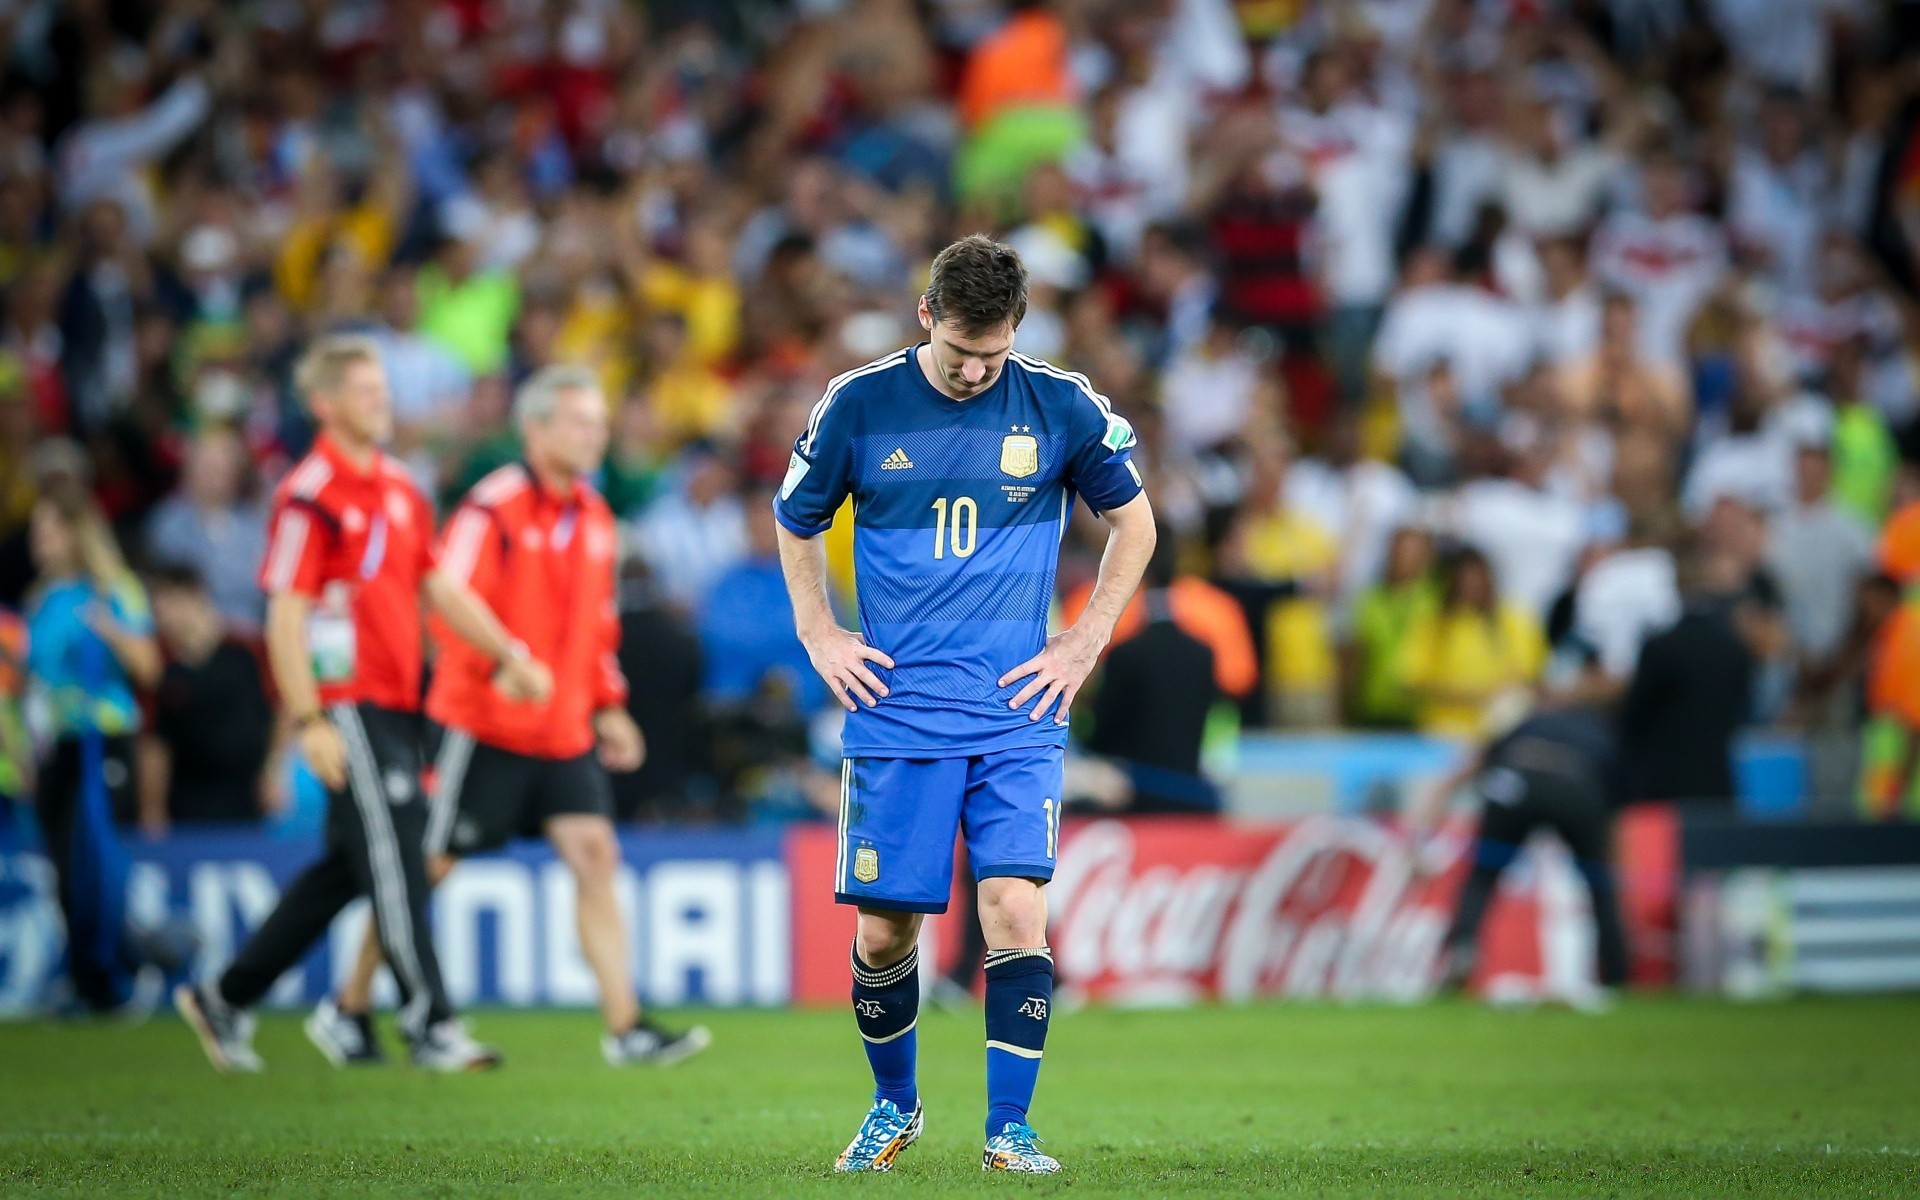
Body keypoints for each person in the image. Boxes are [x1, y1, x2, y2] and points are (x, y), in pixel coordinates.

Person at [775, 236, 1155, 1173]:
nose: (975, 372)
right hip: (898, 710)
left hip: (1017, 707)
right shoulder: (858, 403)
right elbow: (796, 517)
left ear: (1016, 331)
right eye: (957, 355)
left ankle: (1009, 1129)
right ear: (925, 318)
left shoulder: (1061, 405)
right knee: (884, 928)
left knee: (1014, 910)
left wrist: (1083, 638)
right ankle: (894, 1107)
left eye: (992, 354)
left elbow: (1136, 526)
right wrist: (820, 634)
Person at [174, 335, 552, 1074]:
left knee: (350, 867)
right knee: (399, 852)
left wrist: (507, 651)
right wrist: (309, 718)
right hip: (344, 699)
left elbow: (437, 587)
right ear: (325, 404)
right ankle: (430, 1021)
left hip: (391, 697)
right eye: (367, 392)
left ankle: (225, 995)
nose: (385, 403)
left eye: (384, 391)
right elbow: (286, 609)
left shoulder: (401, 488)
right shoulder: (309, 493)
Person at [320, 365, 709, 1069]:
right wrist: (500, 663)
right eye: (579, 423)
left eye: (599, 423)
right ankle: (348, 1007)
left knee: (595, 854)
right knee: (428, 868)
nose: (595, 436)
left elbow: (596, 627)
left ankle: (626, 1027)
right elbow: (446, 600)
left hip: (561, 727)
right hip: (484, 724)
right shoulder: (492, 509)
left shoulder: (593, 518)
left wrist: (608, 704)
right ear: (535, 430)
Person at [22, 481, 162, 1011]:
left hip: (102, 739)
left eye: (49, 529)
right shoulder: (42, 600)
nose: (39, 541)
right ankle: (89, 975)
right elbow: (34, 683)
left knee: (92, 859)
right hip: (54, 744)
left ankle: (109, 972)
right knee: (62, 864)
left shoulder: (114, 591)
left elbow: (149, 667)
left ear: (77, 533)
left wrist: (111, 631)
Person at [1410, 696, 1631, 1006]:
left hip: (1515, 779)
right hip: (1576, 786)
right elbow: (1614, 810)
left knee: (1483, 876)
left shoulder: (1530, 723)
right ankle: (1617, 971)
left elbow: (1462, 772)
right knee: (1599, 885)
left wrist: (1422, 834)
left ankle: (1462, 948)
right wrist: (1613, 865)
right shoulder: (1604, 734)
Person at [137, 564, 284, 830]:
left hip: (249, 797)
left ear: (194, 596)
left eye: (168, 604)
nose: (163, 617)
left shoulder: (249, 649)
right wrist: (152, 809)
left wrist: (273, 770)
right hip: (186, 802)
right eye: (157, 609)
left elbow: (282, 709)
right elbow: (155, 742)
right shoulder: (159, 666)